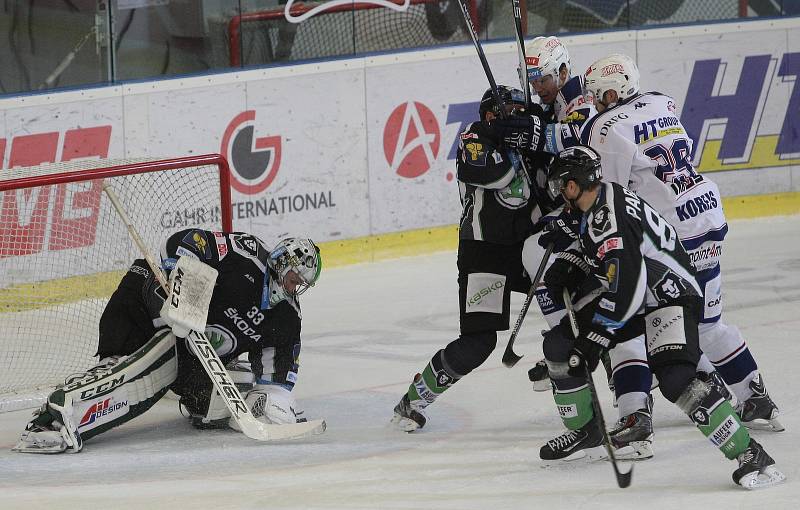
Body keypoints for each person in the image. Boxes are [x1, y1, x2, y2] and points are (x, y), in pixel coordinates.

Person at [574, 53, 783, 459]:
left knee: (631, 323)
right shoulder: (660, 101)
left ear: (612, 92)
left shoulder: (603, 127)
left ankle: (637, 416)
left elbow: (608, 193)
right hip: (705, 213)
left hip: (670, 236)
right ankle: (754, 396)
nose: (595, 102)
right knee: (707, 323)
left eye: (598, 95)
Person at [541, 145, 785, 489]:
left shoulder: (608, 219)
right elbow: (613, 259)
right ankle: (588, 431)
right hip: (641, 293)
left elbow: (625, 287)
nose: (558, 195)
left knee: (675, 379)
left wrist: (594, 339)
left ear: (573, 185)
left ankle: (750, 454)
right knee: (558, 343)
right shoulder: (602, 198)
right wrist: (576, 260)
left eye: (559, 186)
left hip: (668, 295)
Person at [13, 229, 322, 453]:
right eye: (295, 278)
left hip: (189, 350)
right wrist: (180, 278)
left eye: (301, 285)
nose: (294, 288)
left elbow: (276, 379)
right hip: (144, 302)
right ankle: (58, 416)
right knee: (158, 363)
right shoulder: (246, 255)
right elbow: (190, 241)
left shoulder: (286, 317)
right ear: (282, 261)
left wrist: (276, 406)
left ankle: (166, 388)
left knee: (232, 388)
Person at [391, 85, 549, 431]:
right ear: (493, 115)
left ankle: (560, 360)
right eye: (512, 112)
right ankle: (414, 399)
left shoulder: (531, 145)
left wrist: (534, 139)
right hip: (485, 252)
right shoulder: (475, 136)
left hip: (528, 247)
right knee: (479, 342)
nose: (519, 118)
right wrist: (504, 137)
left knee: (569, 294)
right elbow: (492, 174)